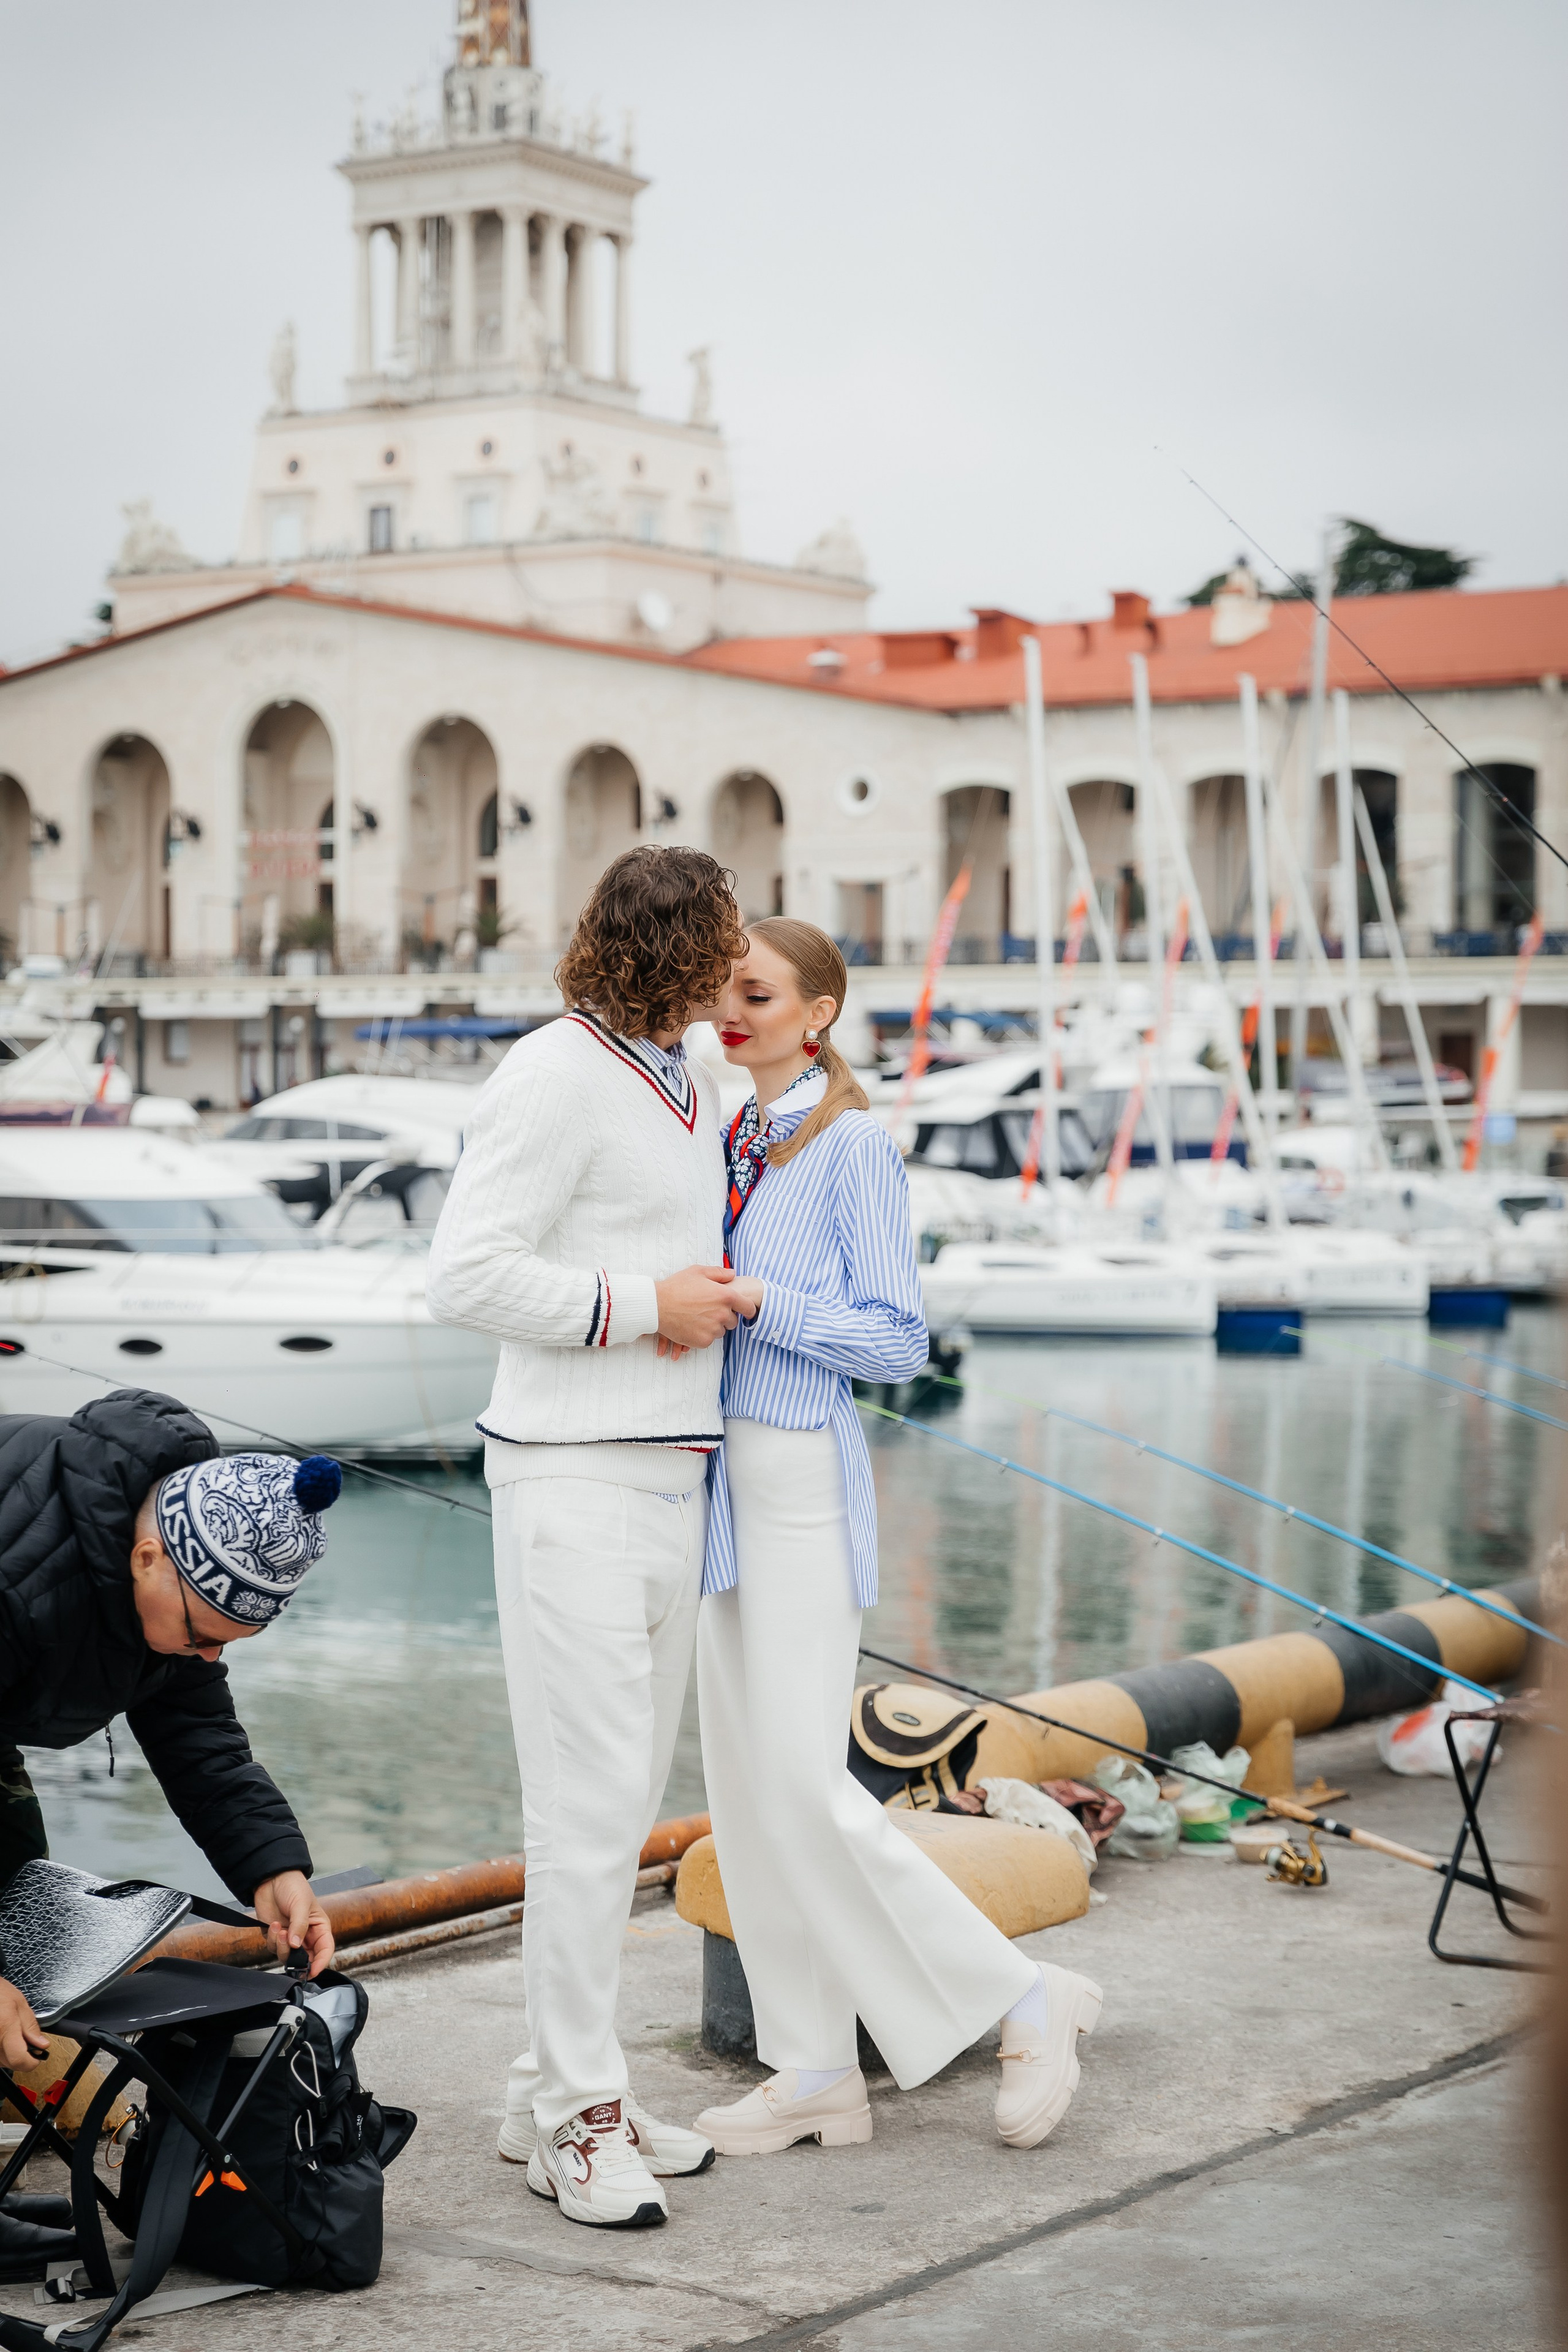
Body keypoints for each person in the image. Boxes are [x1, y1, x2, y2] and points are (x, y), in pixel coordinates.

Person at [691, 919, 1104, 2157]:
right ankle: (811, 2065)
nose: (730, 1010)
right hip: (715, 1488)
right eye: (721, 992)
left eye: (753, 993)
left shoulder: (851, 1142)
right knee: (746, 1797)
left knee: (811, 1788)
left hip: (798, 1476)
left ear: (813, 1011)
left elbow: (894, 1339)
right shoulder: (728, 1137)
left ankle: (1022, 1997)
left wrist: (761, 1301)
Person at [426, 845, 746, 2232]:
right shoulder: (553, 1075)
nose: (739, 963)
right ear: (676, 945)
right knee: (584, 1816)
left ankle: (541, 2087)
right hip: (570, 1481)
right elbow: (465, 1271)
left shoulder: (688, 1074)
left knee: (618, 1822)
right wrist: (644, 1305)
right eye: (725, 938)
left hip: (667, 1475)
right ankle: (577, 2116)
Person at [0, 1387, 343, 2076]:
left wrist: (271, 1867)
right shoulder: (19, 1576)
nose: (208, 1658)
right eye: (201, 1635)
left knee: (21, 1924)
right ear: (147, 1557)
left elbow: (196, 1730)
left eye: (227, 1645)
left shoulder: (170, 1587)